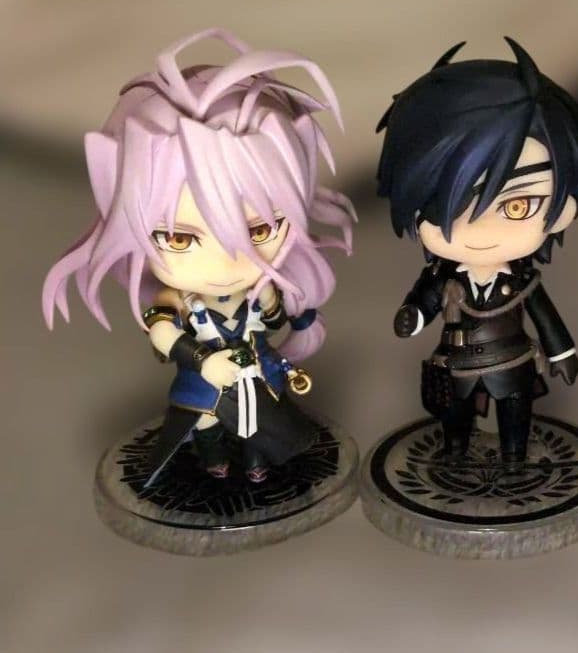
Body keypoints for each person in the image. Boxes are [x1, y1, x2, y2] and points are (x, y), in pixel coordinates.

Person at [43, 28, 355, 484]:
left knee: (261, 429)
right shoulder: (177, 300)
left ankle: (256, 462)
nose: (227, 262)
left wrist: (276, 307)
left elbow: (273, 321)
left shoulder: (260, 287)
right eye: (181, 239)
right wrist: (204, 360)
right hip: (204, 384)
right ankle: (213, 460)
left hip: (257, 377)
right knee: (208, 428)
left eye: (261, 230)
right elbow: (162, 332)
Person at [376, 38, 578, 465]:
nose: (482, 230)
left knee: (515, 417)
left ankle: (514, 459)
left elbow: (545, 316)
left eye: (517, 206)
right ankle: (454, 453)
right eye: (452, 208)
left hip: (511, 361)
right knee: (454, 421)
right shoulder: (443, 278)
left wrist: (562, 353)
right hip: (455, 365)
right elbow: (425, 300)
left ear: (563, 209)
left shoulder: (522, 280)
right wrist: (413, 315)